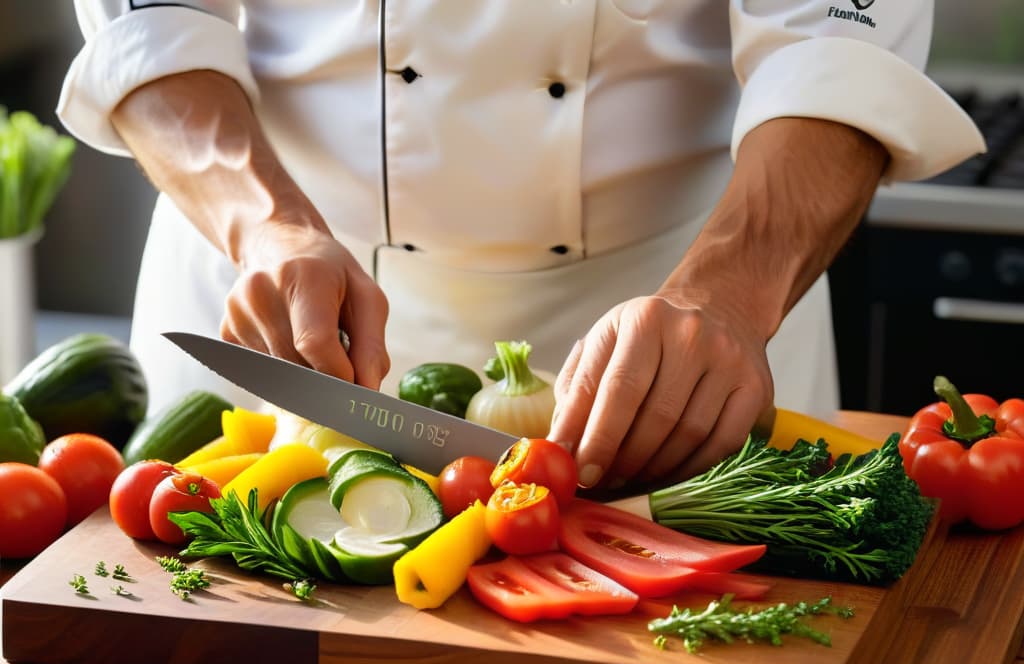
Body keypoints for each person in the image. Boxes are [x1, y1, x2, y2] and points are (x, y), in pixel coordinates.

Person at [58, 1, 982, 489]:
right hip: (280, 308)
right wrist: (265, 223)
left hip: (676, 330)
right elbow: (156, 27)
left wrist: (729, 294)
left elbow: (834, 48)